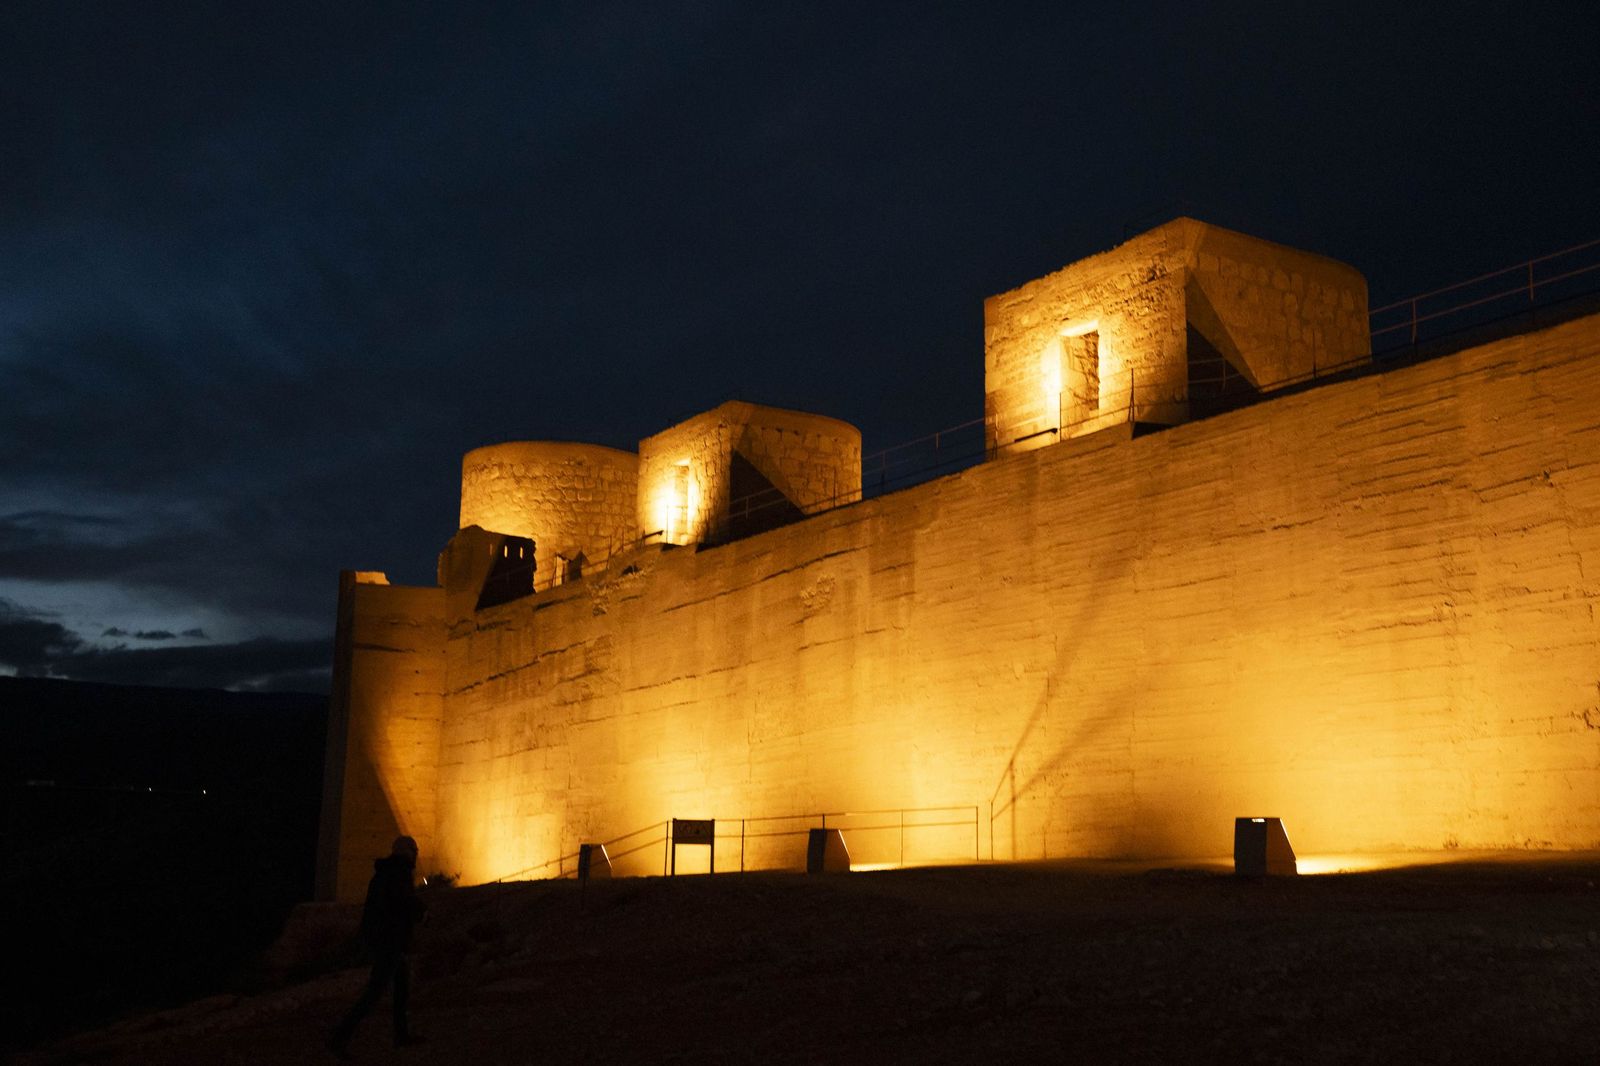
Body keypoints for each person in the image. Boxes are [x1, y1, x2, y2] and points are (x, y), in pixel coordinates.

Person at [328, 835, 429, 1057]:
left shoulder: (385, 873)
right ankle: (339, 1038)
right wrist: (419, 908)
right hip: (389, 942)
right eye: (414, 851)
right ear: (409, 853)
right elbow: (401, 903)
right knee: (374, 994)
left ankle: (401, 1035)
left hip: (388, 940)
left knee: (401, 988)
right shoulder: (398, 874)